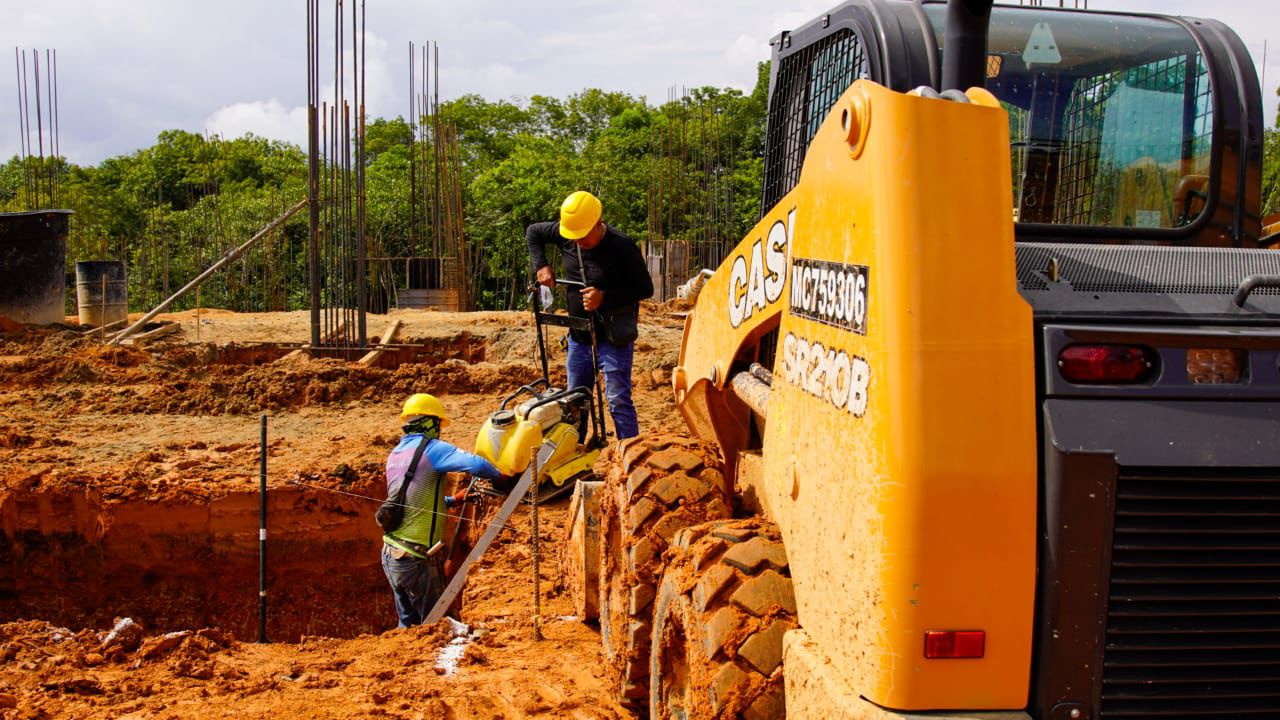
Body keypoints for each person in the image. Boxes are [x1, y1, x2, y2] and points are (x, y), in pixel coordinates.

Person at [527, 190, 654, 440]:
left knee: (617, 399)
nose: (578, 242)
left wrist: (604, 297)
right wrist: (540, 265)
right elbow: (533, 232)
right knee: (575, 399)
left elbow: (644, 288)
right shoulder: (568, 234)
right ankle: (573, 451)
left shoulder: (622, 246)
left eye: (583, 236)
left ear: (598, 224)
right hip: (579, 337)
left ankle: (629, 455)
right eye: (573, 237)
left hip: (613, 337)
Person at [382, 393, 502, 628]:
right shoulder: (432, 449)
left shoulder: (396, 454)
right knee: (434, 627)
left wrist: (452, 500)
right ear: (431, 423)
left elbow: (412, 503)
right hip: (416, 560)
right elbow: (479, 465)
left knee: (408, 625)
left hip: (391, 555)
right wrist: (501, 476)